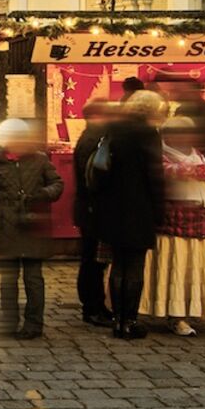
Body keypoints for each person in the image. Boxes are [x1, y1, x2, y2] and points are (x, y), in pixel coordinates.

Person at [141, 115, 205, 338]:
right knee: (177, 266)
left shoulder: (195, 153)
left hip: (201, 216)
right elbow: (166, 171)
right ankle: (177, 315)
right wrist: (191, 171)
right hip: (173, 218)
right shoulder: (160, 154)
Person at [0, 118, 64, 338]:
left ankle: (34, 324)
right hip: (6, 227)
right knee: (9, 279)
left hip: (33, 226)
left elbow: (57, 184)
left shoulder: (40, 160)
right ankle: (9, 321)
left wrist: (44, 194)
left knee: (33, 279)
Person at [92, 90, 165, 339]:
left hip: (113, 206)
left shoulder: (114, 130)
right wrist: (159, 210)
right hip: (139, 207)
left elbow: (101, 170)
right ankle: (130, 320)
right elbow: (154, 176)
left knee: (118, 265)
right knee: (135, 265)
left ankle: (117, 319)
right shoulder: (149, 134)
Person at [71, 98, 119, 327]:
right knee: (92, 260)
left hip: (89, 207)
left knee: (94, 260)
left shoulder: (92, 138)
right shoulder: (94, 141)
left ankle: (96, 305)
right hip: (92, 208)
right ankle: (92, 307)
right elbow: (94, 176)